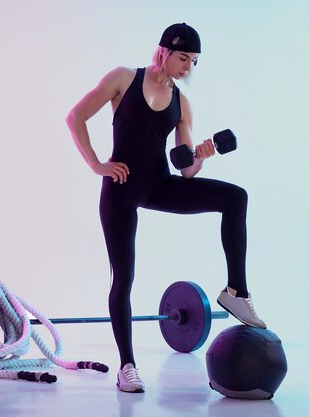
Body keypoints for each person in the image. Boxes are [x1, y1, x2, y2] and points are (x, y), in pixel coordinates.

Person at [66, 23, 266, 393]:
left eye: (193, 61)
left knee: (235, 197)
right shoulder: (123, 79)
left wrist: (202, 155)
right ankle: (127, 367)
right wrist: (97, 165)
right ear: (163, 51)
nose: (188, 67)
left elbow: (185, 168)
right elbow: (75, 117)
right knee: (123, 279)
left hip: (160, 185)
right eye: (183, 58)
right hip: (121, 188)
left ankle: (236, 291)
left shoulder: (181, 103)